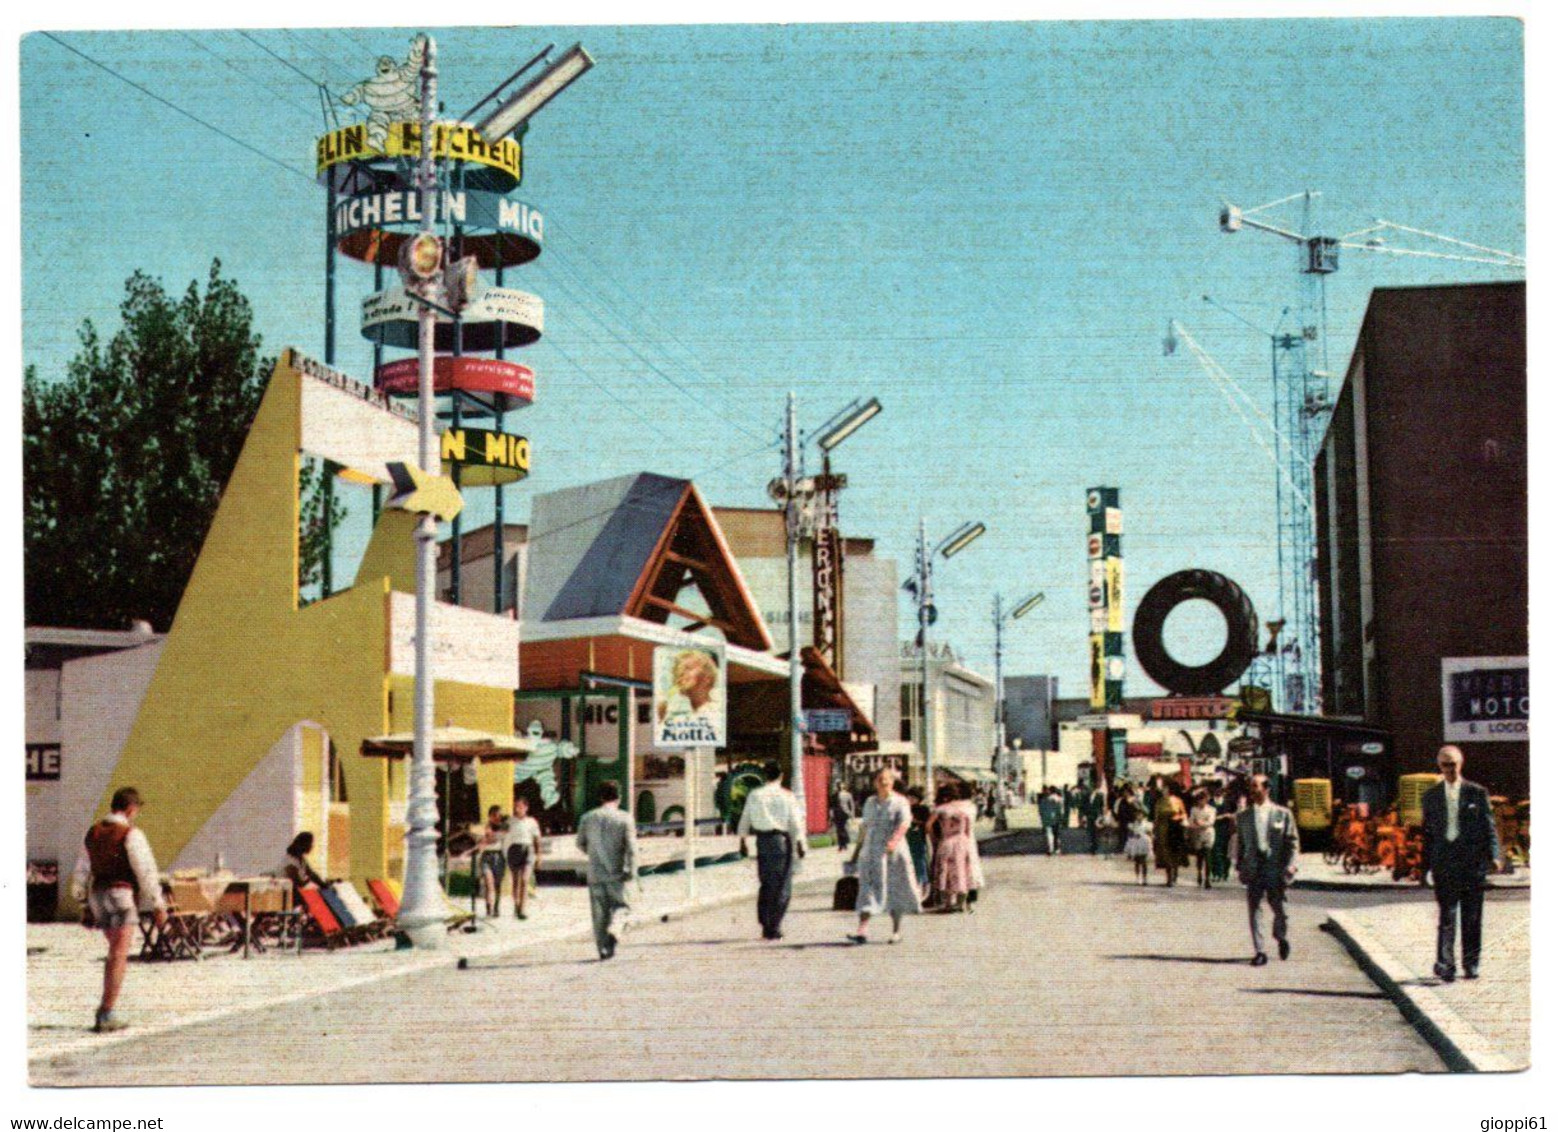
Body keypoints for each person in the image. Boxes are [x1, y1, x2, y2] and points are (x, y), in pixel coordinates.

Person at [70, 787, 166, 1033]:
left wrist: (83, 903)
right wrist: (157, 903)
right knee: (118, 954)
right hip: (120, 894)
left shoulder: (93, 832)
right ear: (131, 809)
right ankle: (106, 1012)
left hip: (98, 895)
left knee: (115, 951)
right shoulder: (131, 834)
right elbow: (145, 870)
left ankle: (107, 1008)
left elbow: (81, 870)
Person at [1421, 745, 1499, 981]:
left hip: (1472, 864)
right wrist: (1424, 868)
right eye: (1445, 765)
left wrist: (1494, 855)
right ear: (1439, 766)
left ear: (1460, 764)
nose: (1450, 769)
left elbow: (1489, 827)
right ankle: (1445, 964)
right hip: (1444, 864)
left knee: (1472, 917)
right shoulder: (1431, 797)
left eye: (1453, 764)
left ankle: (1471, 963)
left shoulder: (1476, 793)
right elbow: (1428, 835)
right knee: (1447, 915)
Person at [847, 768, 922, 944]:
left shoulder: (900, 801)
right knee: (867, 889)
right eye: (880, 779)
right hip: (871, 851)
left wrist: (893, 842)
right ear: (875, 783)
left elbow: (904, 824)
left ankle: (896, 931)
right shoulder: (870, 802)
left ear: (892, 782)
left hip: (893, 853)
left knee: (894, 890)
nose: (883, 782)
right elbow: (865, 827)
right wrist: (856, 852)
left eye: (886, 779)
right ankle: (862, 931)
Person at [1232, 773, 1300, 966]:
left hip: (1275, 869)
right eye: (1251, 787)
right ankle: (1260, 951)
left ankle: (1281, 937)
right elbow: (1242, 844)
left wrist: (1292, 865)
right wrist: (1240, 866)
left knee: (1280, 910)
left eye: (1256, 786)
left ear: (1267, 789)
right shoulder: (1243, 816)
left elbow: (1293, 843)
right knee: (1254, 910)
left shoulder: (1283, 814)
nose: (1253, 790)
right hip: (1253, 868)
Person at [737, 761, 807, 940]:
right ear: (781, 776)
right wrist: (800, 844)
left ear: (765, 776)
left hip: (762, 841)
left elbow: (745, 818)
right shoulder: (787, 796)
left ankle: (765, 923)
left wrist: (743, 842)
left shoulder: (754, 795)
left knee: (766, 883)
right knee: (783, 884)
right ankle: (774, 925)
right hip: (781, 842)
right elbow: (795, 822)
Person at [576, 781, 637, 960]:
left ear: (600, 797)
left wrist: (593, 853)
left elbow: (580, 843)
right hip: (617, 873)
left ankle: (603, 948)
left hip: (595, 873)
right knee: (623, 907)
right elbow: (632, 848)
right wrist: (632, 869)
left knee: (599, 914)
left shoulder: (587, 818)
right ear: (619, 797)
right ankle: (615, 931)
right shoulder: (625, 818)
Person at [927, 785, 975, 912]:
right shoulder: (962, 809)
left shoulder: (941, 809)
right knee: (962, 869)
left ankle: (949, 902)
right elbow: (968, 828)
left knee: (947, 871)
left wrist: (934, 839)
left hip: (947, 840)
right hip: (962, 840)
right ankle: (961, 903)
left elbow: (928, 825)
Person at [504, 794, 543, 920]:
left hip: (528, 849)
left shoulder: (532, 822)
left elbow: (537, 839)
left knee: (525, 879)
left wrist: (539, 855)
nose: (517, 809)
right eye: (516, 807)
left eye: (520, 807)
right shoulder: (510, 821)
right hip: (514, 850)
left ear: (526, 807)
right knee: (516, 880)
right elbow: (498, 830)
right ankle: (516, 905)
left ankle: (523, 908)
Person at [1152, 785, 1188, 887]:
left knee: (1174, 852)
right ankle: (1169, 877)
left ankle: (1175, 873)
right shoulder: (1159, 802)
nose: (1164, 791)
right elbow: (1156, 817)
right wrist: (1155, 830)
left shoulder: (1178, 801)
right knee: (1165, 853)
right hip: (1163, 829)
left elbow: (1184, 814)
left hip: (1175, 828)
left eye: (1166, 789)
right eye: (1163, 790)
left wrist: (1177, 818)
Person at [476, 805, 508, 918]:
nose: (497, 818)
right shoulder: (485, 827)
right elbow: (481, 840)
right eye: (494, 815)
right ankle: (489, 907)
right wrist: (485, 839)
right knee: (489, 884)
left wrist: (489, 838)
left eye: (499, 815)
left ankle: (496, 908)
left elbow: (494, 838)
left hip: (499, 856)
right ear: (490, 816)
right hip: (487, 857)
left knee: (497, 885)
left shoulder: (504, 827)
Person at [1187, 788, 1217, 889]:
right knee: (1199, 857)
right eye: (1199, 799)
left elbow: (1211, 822)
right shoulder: (1194, 810)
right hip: (1197, 834)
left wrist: (1200, 823)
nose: (1201, 802)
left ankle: (1207, 878)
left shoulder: (1212, 809)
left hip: (1208, 834)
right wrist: (1194, 825)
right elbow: (1191, 821)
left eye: (1203, 799)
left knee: (1208, 856)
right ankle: (1199, 872)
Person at [281, 831, 326, 897]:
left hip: (295, 894)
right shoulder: (290, 861)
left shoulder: (301, 859)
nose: (311, 846)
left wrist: (325, 886)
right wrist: (310, 881)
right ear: (304, 844)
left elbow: (311, 874)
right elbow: (297, 883)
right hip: (286, 895)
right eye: (310, 843)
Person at [1123, 804, 1152, 885]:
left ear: (1143, 815)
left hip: (1144, 842)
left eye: (1140, 815)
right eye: (1137, 815)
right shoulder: (1133, 824)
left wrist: (1150, 840)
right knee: (1137, 861)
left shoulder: (1147, 824)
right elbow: (1130, 834)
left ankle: (1145, 878)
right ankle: (1138, 877)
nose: (1139, 816)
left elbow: (1150, 833)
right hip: (1136, 843)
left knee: (1144, 861)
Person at [831, 781, 856, 852]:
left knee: (843, 828)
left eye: (840, 785)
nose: (839, 787)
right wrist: (831, 815)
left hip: (844, 813)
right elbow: (832, 806)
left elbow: (852, 805)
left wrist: (852, 814)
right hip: (837, 813)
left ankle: (844, 843)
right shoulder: (834, 795)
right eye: (838, 785)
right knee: (839, 829)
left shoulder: (848, 794)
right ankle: (841, 845)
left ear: (843, 786)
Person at [1038, 787, 1064, 855]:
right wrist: (1061, 818)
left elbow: (1040, 810)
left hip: (1046, 819)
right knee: (1057, 834)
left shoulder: (1044, 799)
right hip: (1056, 818)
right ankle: (1057, 848)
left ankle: (1050, 849)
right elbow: (1060, 810)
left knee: (1049, 834)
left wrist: (1042, 818)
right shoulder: (1059, 799)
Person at [1084, 782, 1107, 854]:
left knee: (1095, 832)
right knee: (1090, 831)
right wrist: (1085, 814)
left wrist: (1101, 816)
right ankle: (1092, 846)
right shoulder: (1087, 795)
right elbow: (1085, 805)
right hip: (1089, 815)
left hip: (1096, 816)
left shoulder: (1100, 795)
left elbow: (1102, 806)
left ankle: (1094, 847)